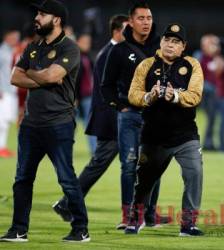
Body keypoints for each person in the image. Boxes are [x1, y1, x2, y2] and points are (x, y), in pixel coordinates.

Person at [0, 0, 90, 242]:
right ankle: (19, 229)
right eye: (37, 13)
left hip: (58, 123)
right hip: (30, 124)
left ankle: (80, 229)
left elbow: (53, 75)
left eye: (42, 14)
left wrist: (36, 74)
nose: (37, 18)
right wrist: (43, 77)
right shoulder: (33, 47)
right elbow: (14, 77)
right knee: (22, 179)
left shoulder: (69, 48)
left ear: (56, 19)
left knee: (66, 179)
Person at [125, 23, 204, 236]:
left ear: (183, 46)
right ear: (161, 42)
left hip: (185, 134)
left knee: (195, 173)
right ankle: (136, 218)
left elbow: (196, 95)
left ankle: (188, 225)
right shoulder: (146, 65)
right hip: (154, 136)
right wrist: (148, 97)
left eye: (176, 42)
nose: (170, 45)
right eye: (167, 40)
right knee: (144, 181)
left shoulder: (192, 65)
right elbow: (133, 94)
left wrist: (175, 96)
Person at [52, 14, 128, 223]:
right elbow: (108, 92)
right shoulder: (109, 53)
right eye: (128, 29)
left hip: (120, 120)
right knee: (100, 164)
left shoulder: (116, 52)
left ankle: (142, 213)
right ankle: (67, 202)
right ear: (117, 31)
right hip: (113, 120)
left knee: (140, 164)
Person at [101, 2, 167, 229]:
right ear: (130, 22)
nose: (146, 22)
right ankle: (127, 215)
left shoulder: (162, 48)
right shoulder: (118, 50)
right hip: (129, 117)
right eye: (141, 18)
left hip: (156, 118)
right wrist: (120, 106)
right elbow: (106, 86)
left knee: (154, 166)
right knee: (129, 165)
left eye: (149, 18)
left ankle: (149, 215)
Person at [75, 33, 97, 154]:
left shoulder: (87, 57)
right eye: (84, 42)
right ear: (78, 42)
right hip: (78, 97)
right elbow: (74, 80)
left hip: (88, 96)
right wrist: (74, 97)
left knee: (90, 124)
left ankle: (95, 151)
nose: (87, 44)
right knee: (67, 125)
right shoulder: (75, 57)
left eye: (88, 42)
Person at [0, 29, 20, 158]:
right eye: (13, 37)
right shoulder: (2, 52)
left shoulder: (13, 51)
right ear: (7, 36)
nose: (15, 40)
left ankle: (2, 147)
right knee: (1, 121)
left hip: (12, 91)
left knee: (6, 121)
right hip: (3, 91)